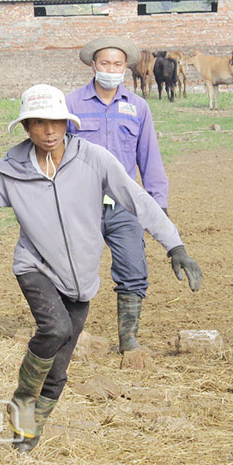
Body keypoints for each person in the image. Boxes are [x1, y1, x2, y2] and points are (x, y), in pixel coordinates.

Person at [0, 84, 203, 453]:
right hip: (35, 267)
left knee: (59, 368)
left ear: (67, 123)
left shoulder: (94, 159)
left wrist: (175, 245)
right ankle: (23, 396)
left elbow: (137, 198)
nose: (49, 131)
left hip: (81, 278)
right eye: (39, 123)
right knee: (55, 327)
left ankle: (25, 433)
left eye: (56, 123)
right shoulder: (11, 170)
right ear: (26, 126)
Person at [67, 36, 172, 368]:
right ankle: (68, 335)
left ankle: (128, 338)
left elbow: (149, 158)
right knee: (71, 271)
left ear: (125, 68)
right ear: (93, 66)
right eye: (105, 64)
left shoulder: (138, 107)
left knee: (133, 269)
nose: (111, 70)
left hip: (125, 205)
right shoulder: (70, 104)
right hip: (81, 204)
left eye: (117, 64)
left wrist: (158, 205)